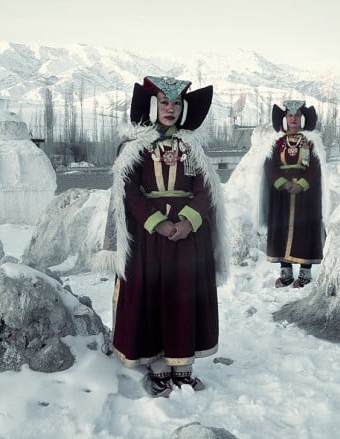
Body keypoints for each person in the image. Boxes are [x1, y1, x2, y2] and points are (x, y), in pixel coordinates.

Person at [99, 75, 228, 397]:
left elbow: (205, 189)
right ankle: (157, 366)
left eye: (176, 103)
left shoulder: (192, 146)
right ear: (153, 105)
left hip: (189, 239)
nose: (170, 109)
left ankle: (182, 366)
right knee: (152, 298)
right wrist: (157, 222)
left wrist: (187, 221)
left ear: (184, 108)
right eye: (165, 102)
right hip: (147, 240)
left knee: (185, 298)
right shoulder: (134, 147)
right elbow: (127, 191)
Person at [261, 100, 326, 288]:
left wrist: (303, 184)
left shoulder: (311, 142)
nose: (293, 119)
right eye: (290, 115)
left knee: (304, 230)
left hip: (306, 195)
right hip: (281, 193)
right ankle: (286, 273)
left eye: (297, 115)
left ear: (303, 118)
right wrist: (282, 183)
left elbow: (316, 166)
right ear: (285, 118)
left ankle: (305, 274)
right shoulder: (277, 143)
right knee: (282, 229)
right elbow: (269, 164)